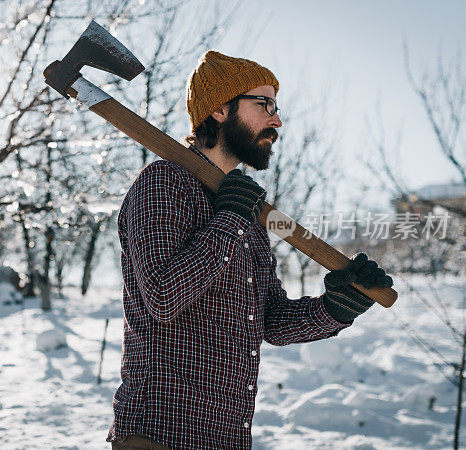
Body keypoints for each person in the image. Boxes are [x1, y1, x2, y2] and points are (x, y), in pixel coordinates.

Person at [106, 51, 393, 449]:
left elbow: (268, 319)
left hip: (226, 437)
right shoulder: (165, 183)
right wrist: (231, 219)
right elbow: (163, 296)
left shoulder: (253, 215)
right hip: (161, 433)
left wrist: (334, 309)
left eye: (276, 106)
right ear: (221, 109)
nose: (277, 120)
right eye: (265, 104)